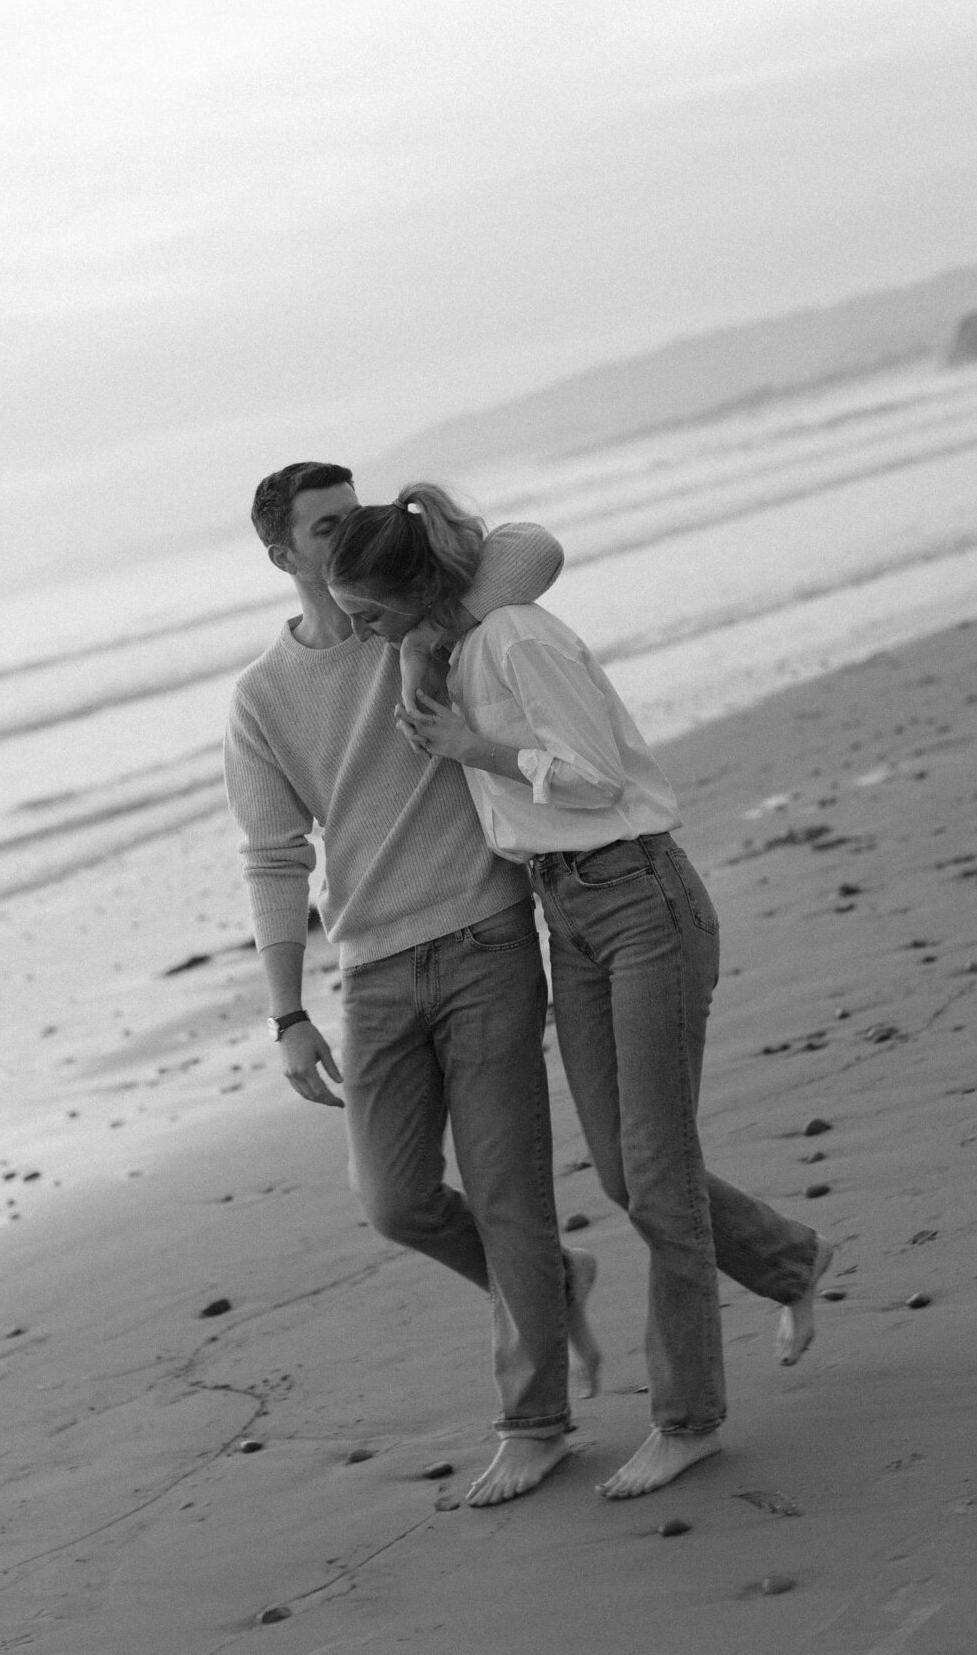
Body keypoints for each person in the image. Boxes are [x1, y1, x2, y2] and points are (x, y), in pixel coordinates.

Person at [324, 480, 834, 1500]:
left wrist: (477, 749)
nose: (371, 641)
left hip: (640, 895)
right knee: (620, 1170)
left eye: (374, 617)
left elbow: (596, 777)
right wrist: (427, 659)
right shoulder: (450, 648)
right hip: (569, 914)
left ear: (411, 587)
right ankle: (791, 1261)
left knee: (657, 1172)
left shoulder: (515, 639)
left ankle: (688, 1417)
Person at [223, 461, 601, 1508]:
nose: (349, 536)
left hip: (483, 936)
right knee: (391, 1199)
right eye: (325, 528)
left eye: (355, 517)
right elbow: (271, 857)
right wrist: (288, 1012)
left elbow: (536, 548)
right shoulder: (263, 697)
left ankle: (536, 1425)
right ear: (281, 555)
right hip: (373, 969)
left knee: (510, 1191)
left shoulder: (422, 613)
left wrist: (439, 626)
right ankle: (553, 1286)